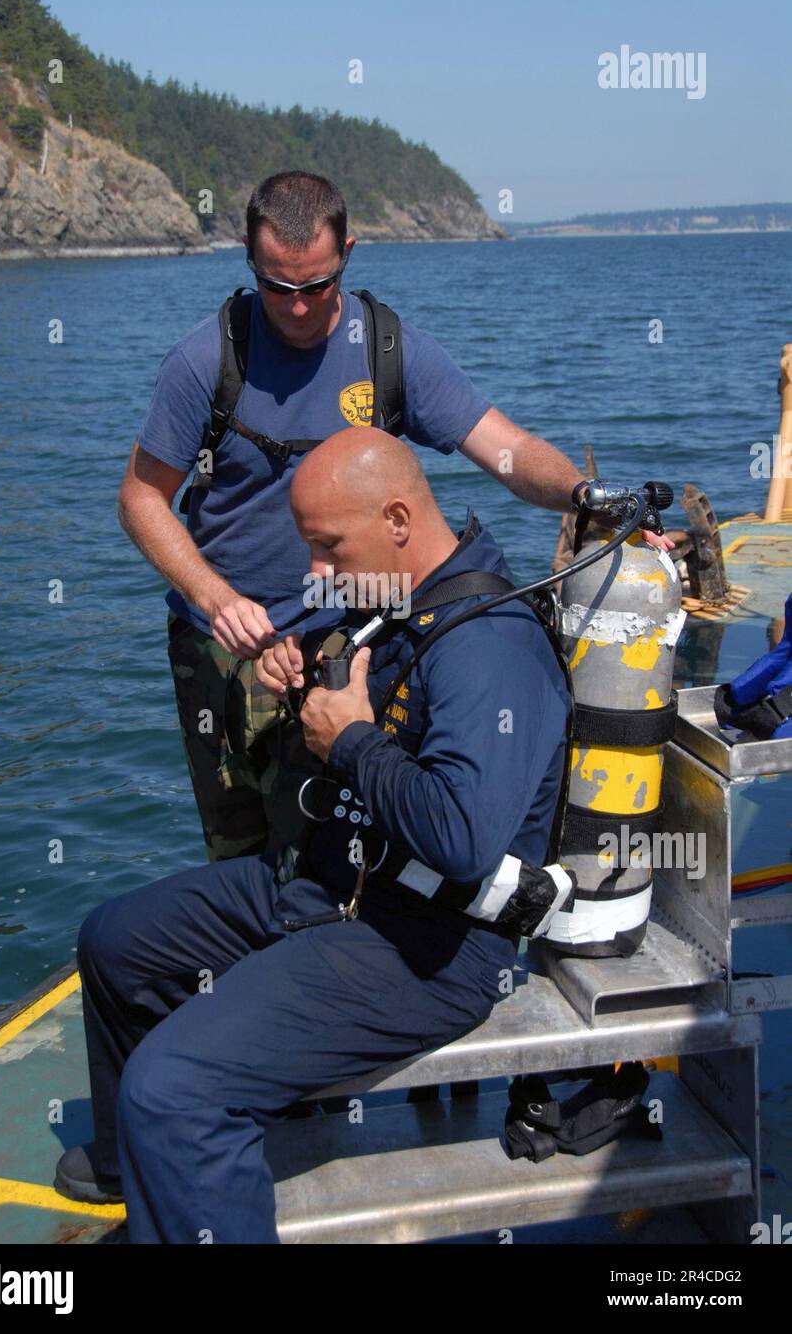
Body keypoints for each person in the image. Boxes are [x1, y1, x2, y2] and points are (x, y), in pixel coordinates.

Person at [56, 429, 572, 1243]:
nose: (318, 574)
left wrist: (354, 740)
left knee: (177, 1088)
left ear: (398, 518)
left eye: (329, 549)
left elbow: (465, 839)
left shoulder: (488, 643)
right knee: (115, 942)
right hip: (335, 880)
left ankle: (176, 1157)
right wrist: (301, 675)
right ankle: (141, 1167)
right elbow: (369, 708)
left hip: (425, 945)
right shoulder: (397, 599)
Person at [117, 169, 672, 862]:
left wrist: (585, 496)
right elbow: (140, 499)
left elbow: (506, 449)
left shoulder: (386, 351)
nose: (295, 308)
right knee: (238, 850)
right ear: (248, 259)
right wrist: (216, 598)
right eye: (276, 287)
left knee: (327, 850)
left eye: (315, 287)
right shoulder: (205, 360)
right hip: (226, 643)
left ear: (348, 252)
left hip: (345, 640)